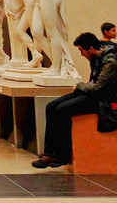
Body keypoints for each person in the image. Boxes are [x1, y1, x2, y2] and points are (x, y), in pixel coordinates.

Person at [32, 32, 117, 168]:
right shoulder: (96, 57)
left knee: (62, 110)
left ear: (90, 48)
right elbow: (93, 83)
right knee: (51, 106)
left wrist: (79, 86)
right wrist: (83, 87)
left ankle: (60, 155)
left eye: (81, 50)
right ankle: (49, 153)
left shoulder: (110, 62)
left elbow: (98, 88)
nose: (81, 54)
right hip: (92, 94)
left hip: (104, 101)